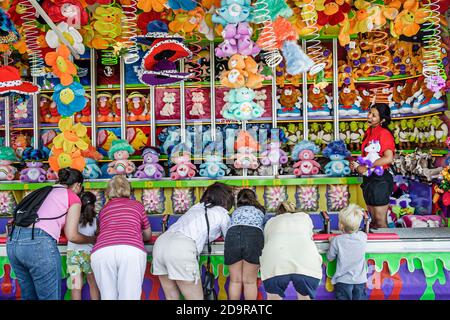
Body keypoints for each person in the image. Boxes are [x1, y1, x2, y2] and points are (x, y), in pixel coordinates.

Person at [7, 168, 95, 300]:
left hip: (13, 243)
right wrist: (93, 239)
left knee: (28, 295)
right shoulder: (72, 197)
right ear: (78, 185)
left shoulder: (43, 190)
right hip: (38, 244)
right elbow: (72, 235)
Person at [152, 182, 234, 300]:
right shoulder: (222, 213)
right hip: (181, 248)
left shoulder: (196, 207)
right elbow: (229, 237)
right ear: (226, 199)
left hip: (161, 243)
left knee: (171, 297)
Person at [90, 175, 152, 300]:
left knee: (108, 297)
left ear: (108, 191)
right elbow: (147, 235)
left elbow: (100, 232)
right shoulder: (137, 206)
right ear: (128, 189)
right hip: (130, 251)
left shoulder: (103, 210)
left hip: (102, 252)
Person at [260, 201, 322, 300]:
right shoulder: (305, 217)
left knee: (273, 298)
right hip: (306, 262)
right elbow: (310, 235)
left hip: (275, 263)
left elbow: (266, 241)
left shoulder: (271, 221)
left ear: (278, 212)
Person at [350, 104, 395, 228]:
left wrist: (367, 166)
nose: (369, 116)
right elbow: (369, 155)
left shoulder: (384, 133)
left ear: (383, 120)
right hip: (369, 179)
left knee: (380, 221)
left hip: (380, 180)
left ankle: (386, 247)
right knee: (373, 222)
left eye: (374, 115)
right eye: (369, 113)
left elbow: (388, 158)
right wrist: (357, 164)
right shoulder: (369, 131)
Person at [224, 188, 265, 300]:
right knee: (249, 282)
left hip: (232, 235)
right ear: (254, 199)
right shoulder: (260, 212)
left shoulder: (234, 212)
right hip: (254, 235)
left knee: (235, 280)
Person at [327, 204, 367, 300]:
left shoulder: (337, 240)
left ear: (341, 225)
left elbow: (330, 257)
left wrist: (332, 241)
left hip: (343, 281)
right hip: (360, 281)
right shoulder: (363, 237)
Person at [66, 191, 100, 300]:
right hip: (89, 255)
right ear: (94, 205)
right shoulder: (95, 220)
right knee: (93, 284)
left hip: (72, 255)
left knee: (75, 287)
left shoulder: (71, 218)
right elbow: (98, 236)